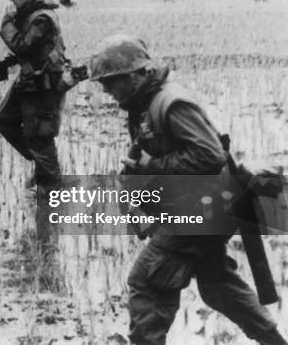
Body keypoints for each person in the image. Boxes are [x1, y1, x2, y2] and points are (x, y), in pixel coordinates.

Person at [89, 33, 288, 345]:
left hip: (204, 207)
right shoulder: (146, 104)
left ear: (133, 75)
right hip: (202, 206)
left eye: (111, 82)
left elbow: (209, 155)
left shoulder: (171, 102)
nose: (106, 90)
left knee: (147, 281)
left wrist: (148, 167)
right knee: (216, 283)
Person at [0, 0, 70, 256]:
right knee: (2, 119)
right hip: (29, 81)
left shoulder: (41, 18)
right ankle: (41, 167)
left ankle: (53, 195)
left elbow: (23, 45)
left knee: (40, 138)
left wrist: (7, 21)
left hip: (43, 86)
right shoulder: (31, 13)